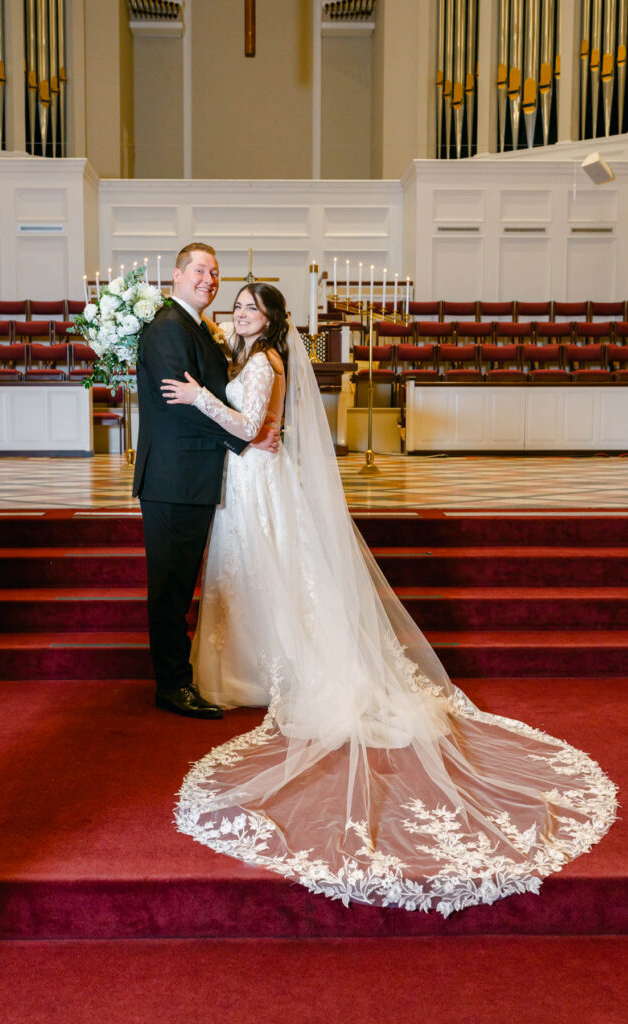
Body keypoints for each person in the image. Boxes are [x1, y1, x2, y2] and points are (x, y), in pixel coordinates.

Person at [161, 282, 617, 915]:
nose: (239, 314)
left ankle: (282, 668)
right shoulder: (242, 357)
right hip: (243, 479)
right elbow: (250, 428)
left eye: (250, 308)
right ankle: (249, 665)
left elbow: (248, 424)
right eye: (235, 306)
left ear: (269, 321)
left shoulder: (264, 362)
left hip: (260, 482)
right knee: (250, 576)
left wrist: (198, 397)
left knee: (275, 575)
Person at [132, 243, 278, 719]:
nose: (209, 280)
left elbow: (217, 398)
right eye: (199, 270)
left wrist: (251, 430)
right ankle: (172, 686)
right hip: (173, 478)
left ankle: (181, 676)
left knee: (180, 584)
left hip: (193, 477)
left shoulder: (197, 328)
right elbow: (181, 404)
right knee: (171, 587)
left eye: (214, 273)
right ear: (176, 275)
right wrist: (246, 440)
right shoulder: (167, 330)